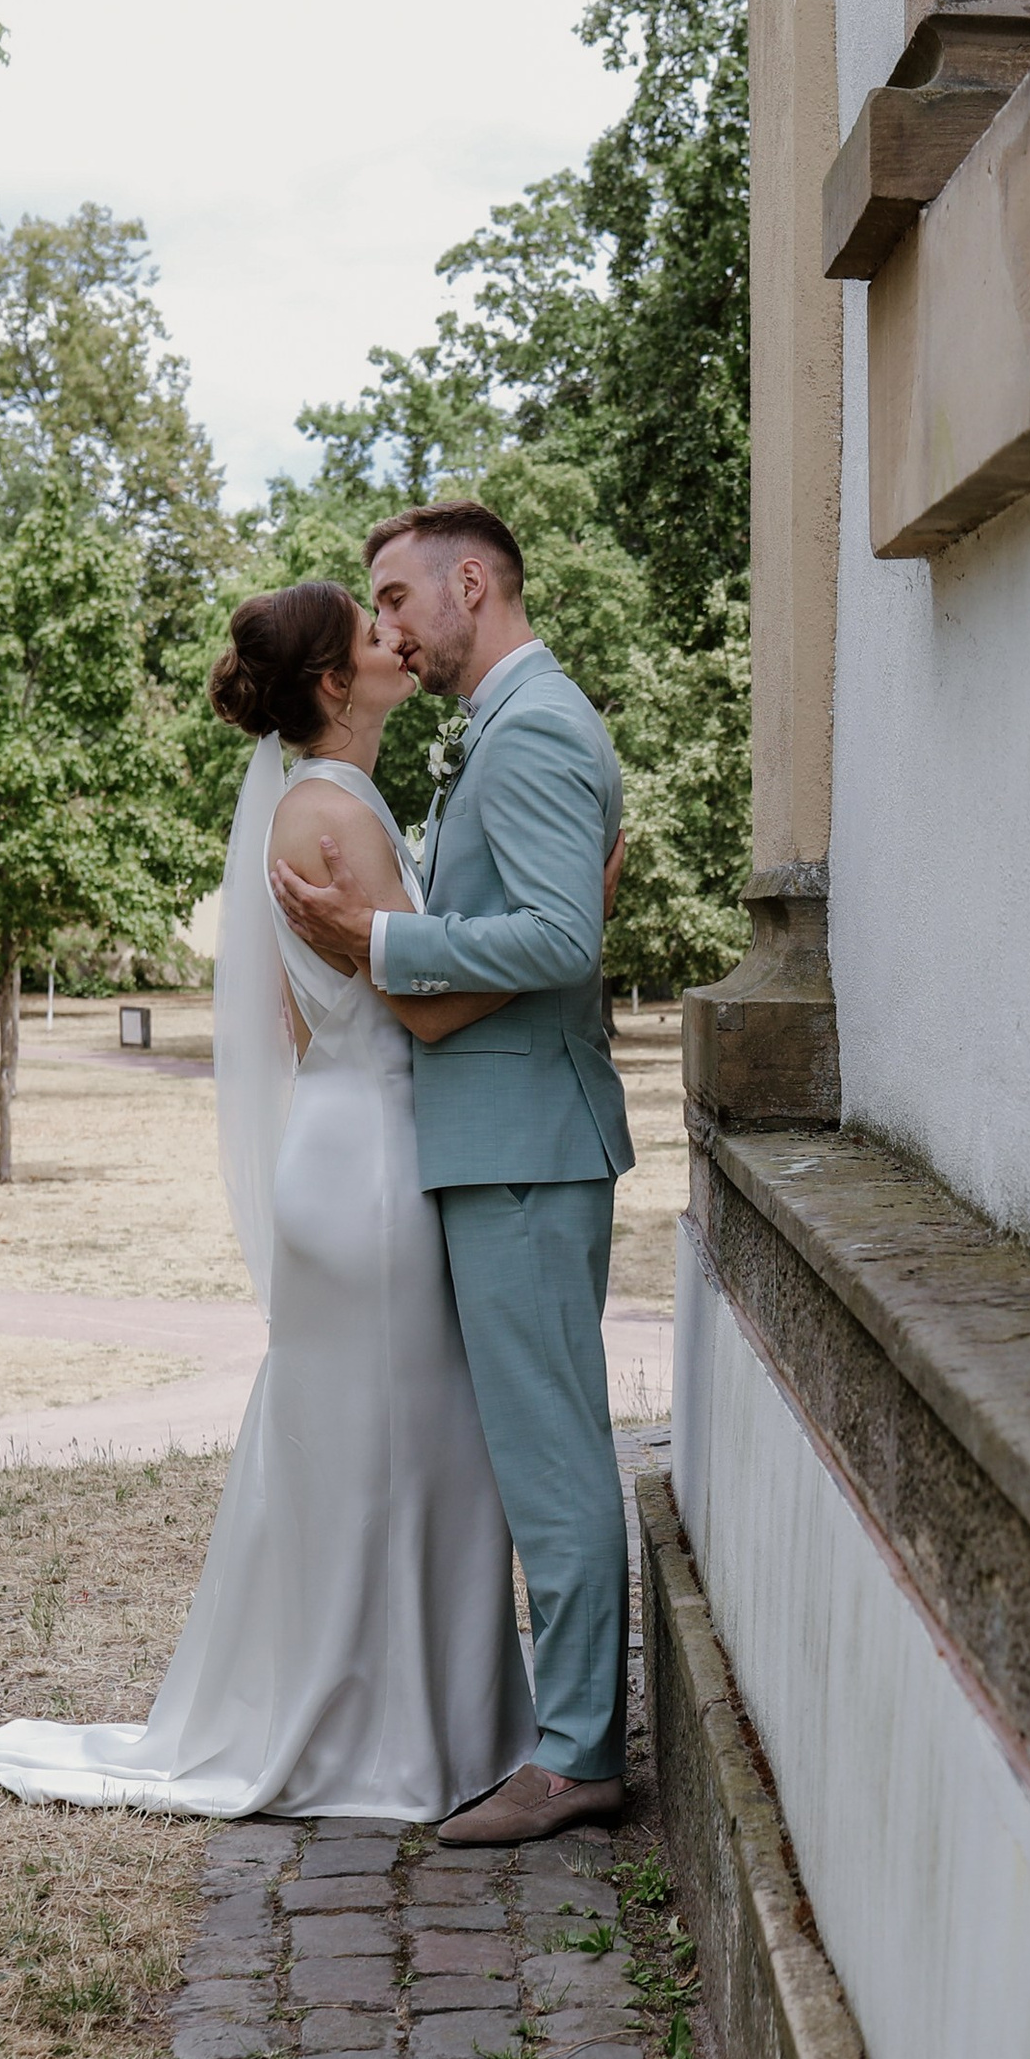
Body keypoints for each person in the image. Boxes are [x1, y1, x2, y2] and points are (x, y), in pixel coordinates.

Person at [0, 580, 554, 1816]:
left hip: (345, 1140)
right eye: (373, 636)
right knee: (406, 1446)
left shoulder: (325, 799)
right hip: (371, 1162)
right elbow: (420, 1005)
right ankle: (396, 1736)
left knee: (386, 1442)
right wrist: (561, 938)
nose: (396, 643)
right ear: (333, 683)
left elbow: (292, 1011)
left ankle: (396, 1714)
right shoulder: (334, 809)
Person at [272, 502, 635, 1846]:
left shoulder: (534, 726)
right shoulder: (518, 724)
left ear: (471, 583)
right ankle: (565, 1731)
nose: (396, 633)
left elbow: (555, 940)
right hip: (508, 1139)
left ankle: (581, 1753)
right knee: (539, 1453)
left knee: (551, 1462)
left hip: (526, 1146)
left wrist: (384, 943)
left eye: (401, 598)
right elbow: (559, 918)